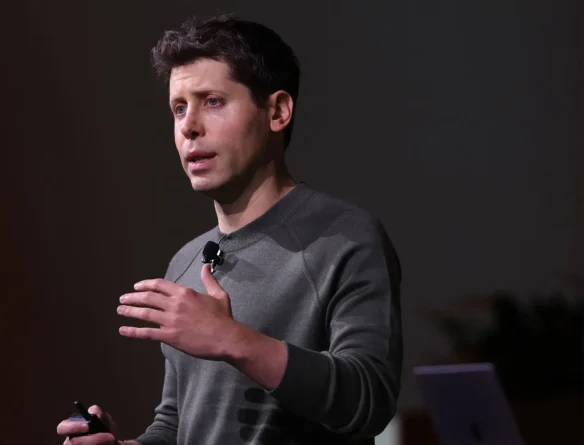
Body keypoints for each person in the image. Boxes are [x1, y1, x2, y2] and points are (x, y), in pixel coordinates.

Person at [56, 14, 402, 445]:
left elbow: (368, 400)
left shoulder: (344, 236)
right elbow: (177, 426)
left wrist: (234, 340)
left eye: (212, 101)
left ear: (277, 111)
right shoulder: (185, 262)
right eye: (179, 108)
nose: (188, 126)